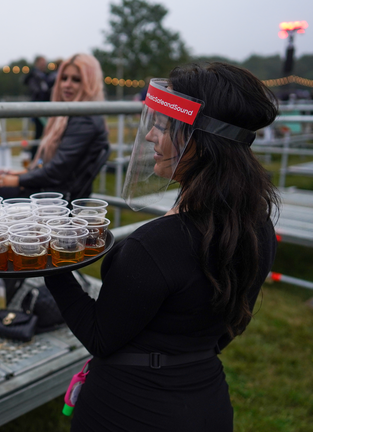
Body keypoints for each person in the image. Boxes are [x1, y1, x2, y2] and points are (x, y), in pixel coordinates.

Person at [44, 62, 280, 431]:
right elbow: (223, 330)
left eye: (164, 125)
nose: (152, 135)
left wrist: (48, 263)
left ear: (200, 141)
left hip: (127, 410)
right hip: (205, 401)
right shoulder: (256, 227)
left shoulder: (153, 247)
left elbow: (100, 337)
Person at [0, 53, 109, 203]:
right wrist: (23, 174)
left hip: (54, 199)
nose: (67, 84)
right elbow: (53, 166)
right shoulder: (72, 116)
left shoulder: (84, 120)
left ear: (90, 83)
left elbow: (56, 171)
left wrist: (16, 180)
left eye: (76, 80)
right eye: (64, 78)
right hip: (51, 192)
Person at [23, 55, 51, 157]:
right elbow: (35, 89)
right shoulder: (33, 75)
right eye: (42, 62)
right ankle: (35, 155)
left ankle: (40, 154)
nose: (44, 65)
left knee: (45, 133)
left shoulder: (45, 75)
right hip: (38, 109)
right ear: (37, 63)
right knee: (39, 133)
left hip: (47, 108)